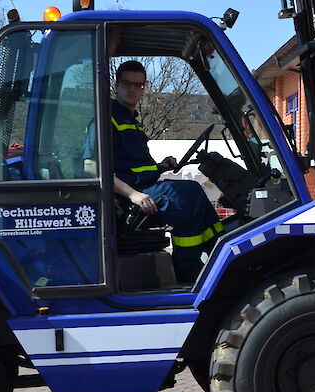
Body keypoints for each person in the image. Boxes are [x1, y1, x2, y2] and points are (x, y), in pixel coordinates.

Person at [84, 60, 223, 283]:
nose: (132, 89)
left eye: (138, 85)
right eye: (127, 84)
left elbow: (130, 163)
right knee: (187, 197)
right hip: (126, 198)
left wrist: (160, 166)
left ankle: (217, 249)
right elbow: (92, 167)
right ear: (116, 85)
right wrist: (134, 195)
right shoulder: (106, 117)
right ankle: (190, 272)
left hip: (144, 186)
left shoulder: (130, 120)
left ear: (144, 88)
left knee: (191, 193)